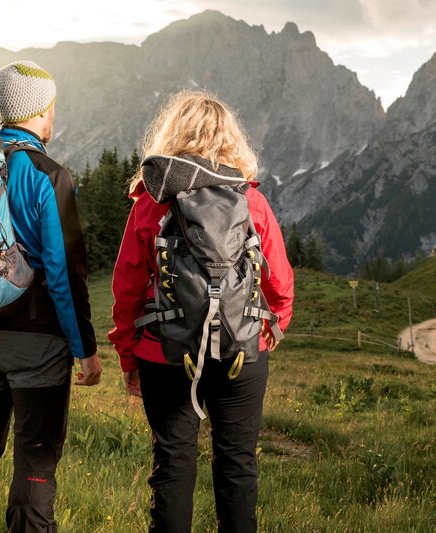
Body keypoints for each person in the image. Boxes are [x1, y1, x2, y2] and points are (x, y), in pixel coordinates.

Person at [108, 90, 294, 533]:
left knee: (172, 464)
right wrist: (269, 331)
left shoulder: (152, 201)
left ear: (171, 135)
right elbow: (280, 283)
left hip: (166, 353)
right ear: (231, 139)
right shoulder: (251, 201)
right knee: (237, 463)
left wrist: (129, 357)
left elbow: (128, 288)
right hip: (241, 350)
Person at [0, 60, 102, 533]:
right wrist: (84, 350)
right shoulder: (46, 174)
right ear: (43, 111)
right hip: (37, 345)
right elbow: (66, 274)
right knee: (35, 464)